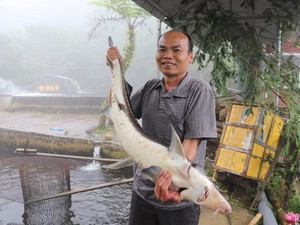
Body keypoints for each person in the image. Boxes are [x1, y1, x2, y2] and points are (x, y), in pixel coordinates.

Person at [107, 29, 217, 225]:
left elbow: (191, 146)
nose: (168, 56)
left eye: (176, 50)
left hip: (178, 202)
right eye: (162, 50)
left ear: (190, 56)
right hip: (142, 192)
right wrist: (116, 69)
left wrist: (175, 185)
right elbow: (121, 111)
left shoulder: (199, 90)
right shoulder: (151, 87)